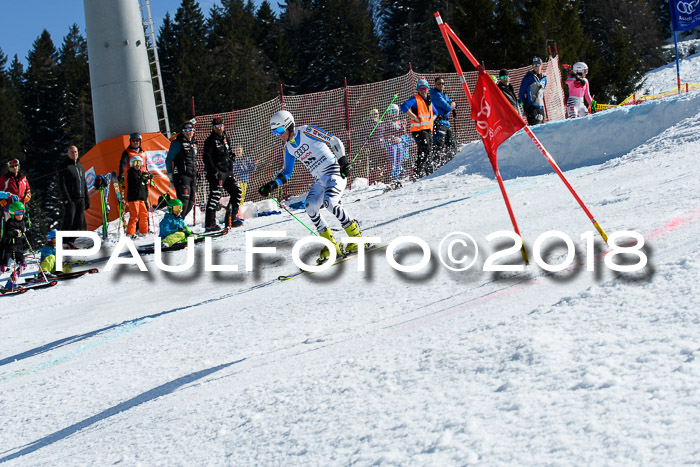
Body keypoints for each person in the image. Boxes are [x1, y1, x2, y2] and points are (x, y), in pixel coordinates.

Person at [258, 110, 363, 264]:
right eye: (275, 132)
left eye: (280, 130)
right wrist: (272, 184)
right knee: (310, 207)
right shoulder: (288, 148)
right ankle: (332, 246)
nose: (278, 135)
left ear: (289, 126)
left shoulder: (306, 131)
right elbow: (286, 172)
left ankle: (356, 239)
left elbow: (334, 140)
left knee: (330, 202)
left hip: (334, 171)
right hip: (320, 180)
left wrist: (343, 161)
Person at [202, 117, 242, 231]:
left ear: (223, 126)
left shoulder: (225, 137)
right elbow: (207, 157)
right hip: (216, 173)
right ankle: (210, 224)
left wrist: (232, 156)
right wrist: (214, 170)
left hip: (227, 171)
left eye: (220, 126)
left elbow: (228, 152)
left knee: (237, 191)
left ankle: (231, 218)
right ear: (213, 128)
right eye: (216, 127)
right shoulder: (210, 140)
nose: (218, 129)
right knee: (215, 197)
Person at [400, 77, 437, 179]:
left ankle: (428, 172)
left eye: (424, 88)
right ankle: (418, 173)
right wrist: (413, 117)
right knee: (425, 150)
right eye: (421, 89)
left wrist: (432, 119)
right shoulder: (415, 99)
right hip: (418, 130)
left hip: (427, 130)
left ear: (427, 89)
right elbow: (403, 107)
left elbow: (436, 112)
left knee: (426, 151)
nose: (423, 90)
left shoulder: (429, 101)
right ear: (418, 90)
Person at [58, 146, 90, 247]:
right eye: (72, 152)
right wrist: (67, 198)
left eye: (76, 152)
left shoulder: (81, 167)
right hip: (71, 198)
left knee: (79, 221)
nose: (74, 154)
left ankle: (71, 241)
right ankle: (63, 242)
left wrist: (87, 198)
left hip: (81, 197)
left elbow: (84, 183)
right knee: (69, 219)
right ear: (68, 153)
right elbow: (61, 184)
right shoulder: (65, 167)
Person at [166, 122, 198, 219]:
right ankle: (174, 223)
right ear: (182, 132)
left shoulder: (194, 142)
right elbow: (168, 160)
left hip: (192, 175)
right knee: (184, 201)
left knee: (191, 203)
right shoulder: (177, 143)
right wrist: (170, 174)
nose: (188, 133)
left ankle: (180, 222)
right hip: (181, 175)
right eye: (186, 131)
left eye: (190, 131)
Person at [379, 103, 408, 187]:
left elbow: (403, 132)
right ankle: (392, 179)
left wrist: (404, 127)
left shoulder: (399, 121)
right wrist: (392, 136)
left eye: (394, 112)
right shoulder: (387, 122)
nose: (393, 114)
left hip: (399, 143)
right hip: (391, 143)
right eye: (391, 112)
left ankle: (397, 178)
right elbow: (386, 132)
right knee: (393, 162)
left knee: (399, 161)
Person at [1, 201, 28, 289]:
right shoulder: (10, 223)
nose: (20, 215)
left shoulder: (22, 221)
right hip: (7, 248)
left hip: (18, 248)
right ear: (12, 213)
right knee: (2, 268)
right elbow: (7, 233)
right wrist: (15, 232)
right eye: (17, 213)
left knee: (22, 264)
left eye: (22, 212)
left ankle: (11, 283)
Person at [430, 77, 458, 165]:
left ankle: (447, 163)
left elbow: (454, 105)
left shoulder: (444, 94)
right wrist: (451, 104)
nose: (441, 85)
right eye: (439, 84)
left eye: (442, 83)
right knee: (439, 146)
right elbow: (448, 107)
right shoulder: (435, 94)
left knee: (452, 143)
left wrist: (452, 104)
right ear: (435, 85)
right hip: (438, 123)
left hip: (446, 123)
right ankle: (434, 165)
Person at [125, 155, 153, 237]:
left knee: (144, 215)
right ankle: (130, 233)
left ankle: (143, 232)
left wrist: (147, 177)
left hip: (141, 198)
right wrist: (143, 178)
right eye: (135, 163)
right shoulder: (131, 173)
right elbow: (135, 183)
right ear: (132, 164)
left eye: (139, 163)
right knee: (134, 216)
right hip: (134, 198)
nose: (137, 165)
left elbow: (143, 185)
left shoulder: (140, 174)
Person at [518, 57, 548, 125]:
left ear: (541, 65)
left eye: (537, 64)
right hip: (532, 107)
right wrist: (527, 105)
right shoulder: (528, 77)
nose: (536, 67)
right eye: (534, 65)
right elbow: (521, 94)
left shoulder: (544, 78)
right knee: (535, 128)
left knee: (542, 127)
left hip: (540, 107)